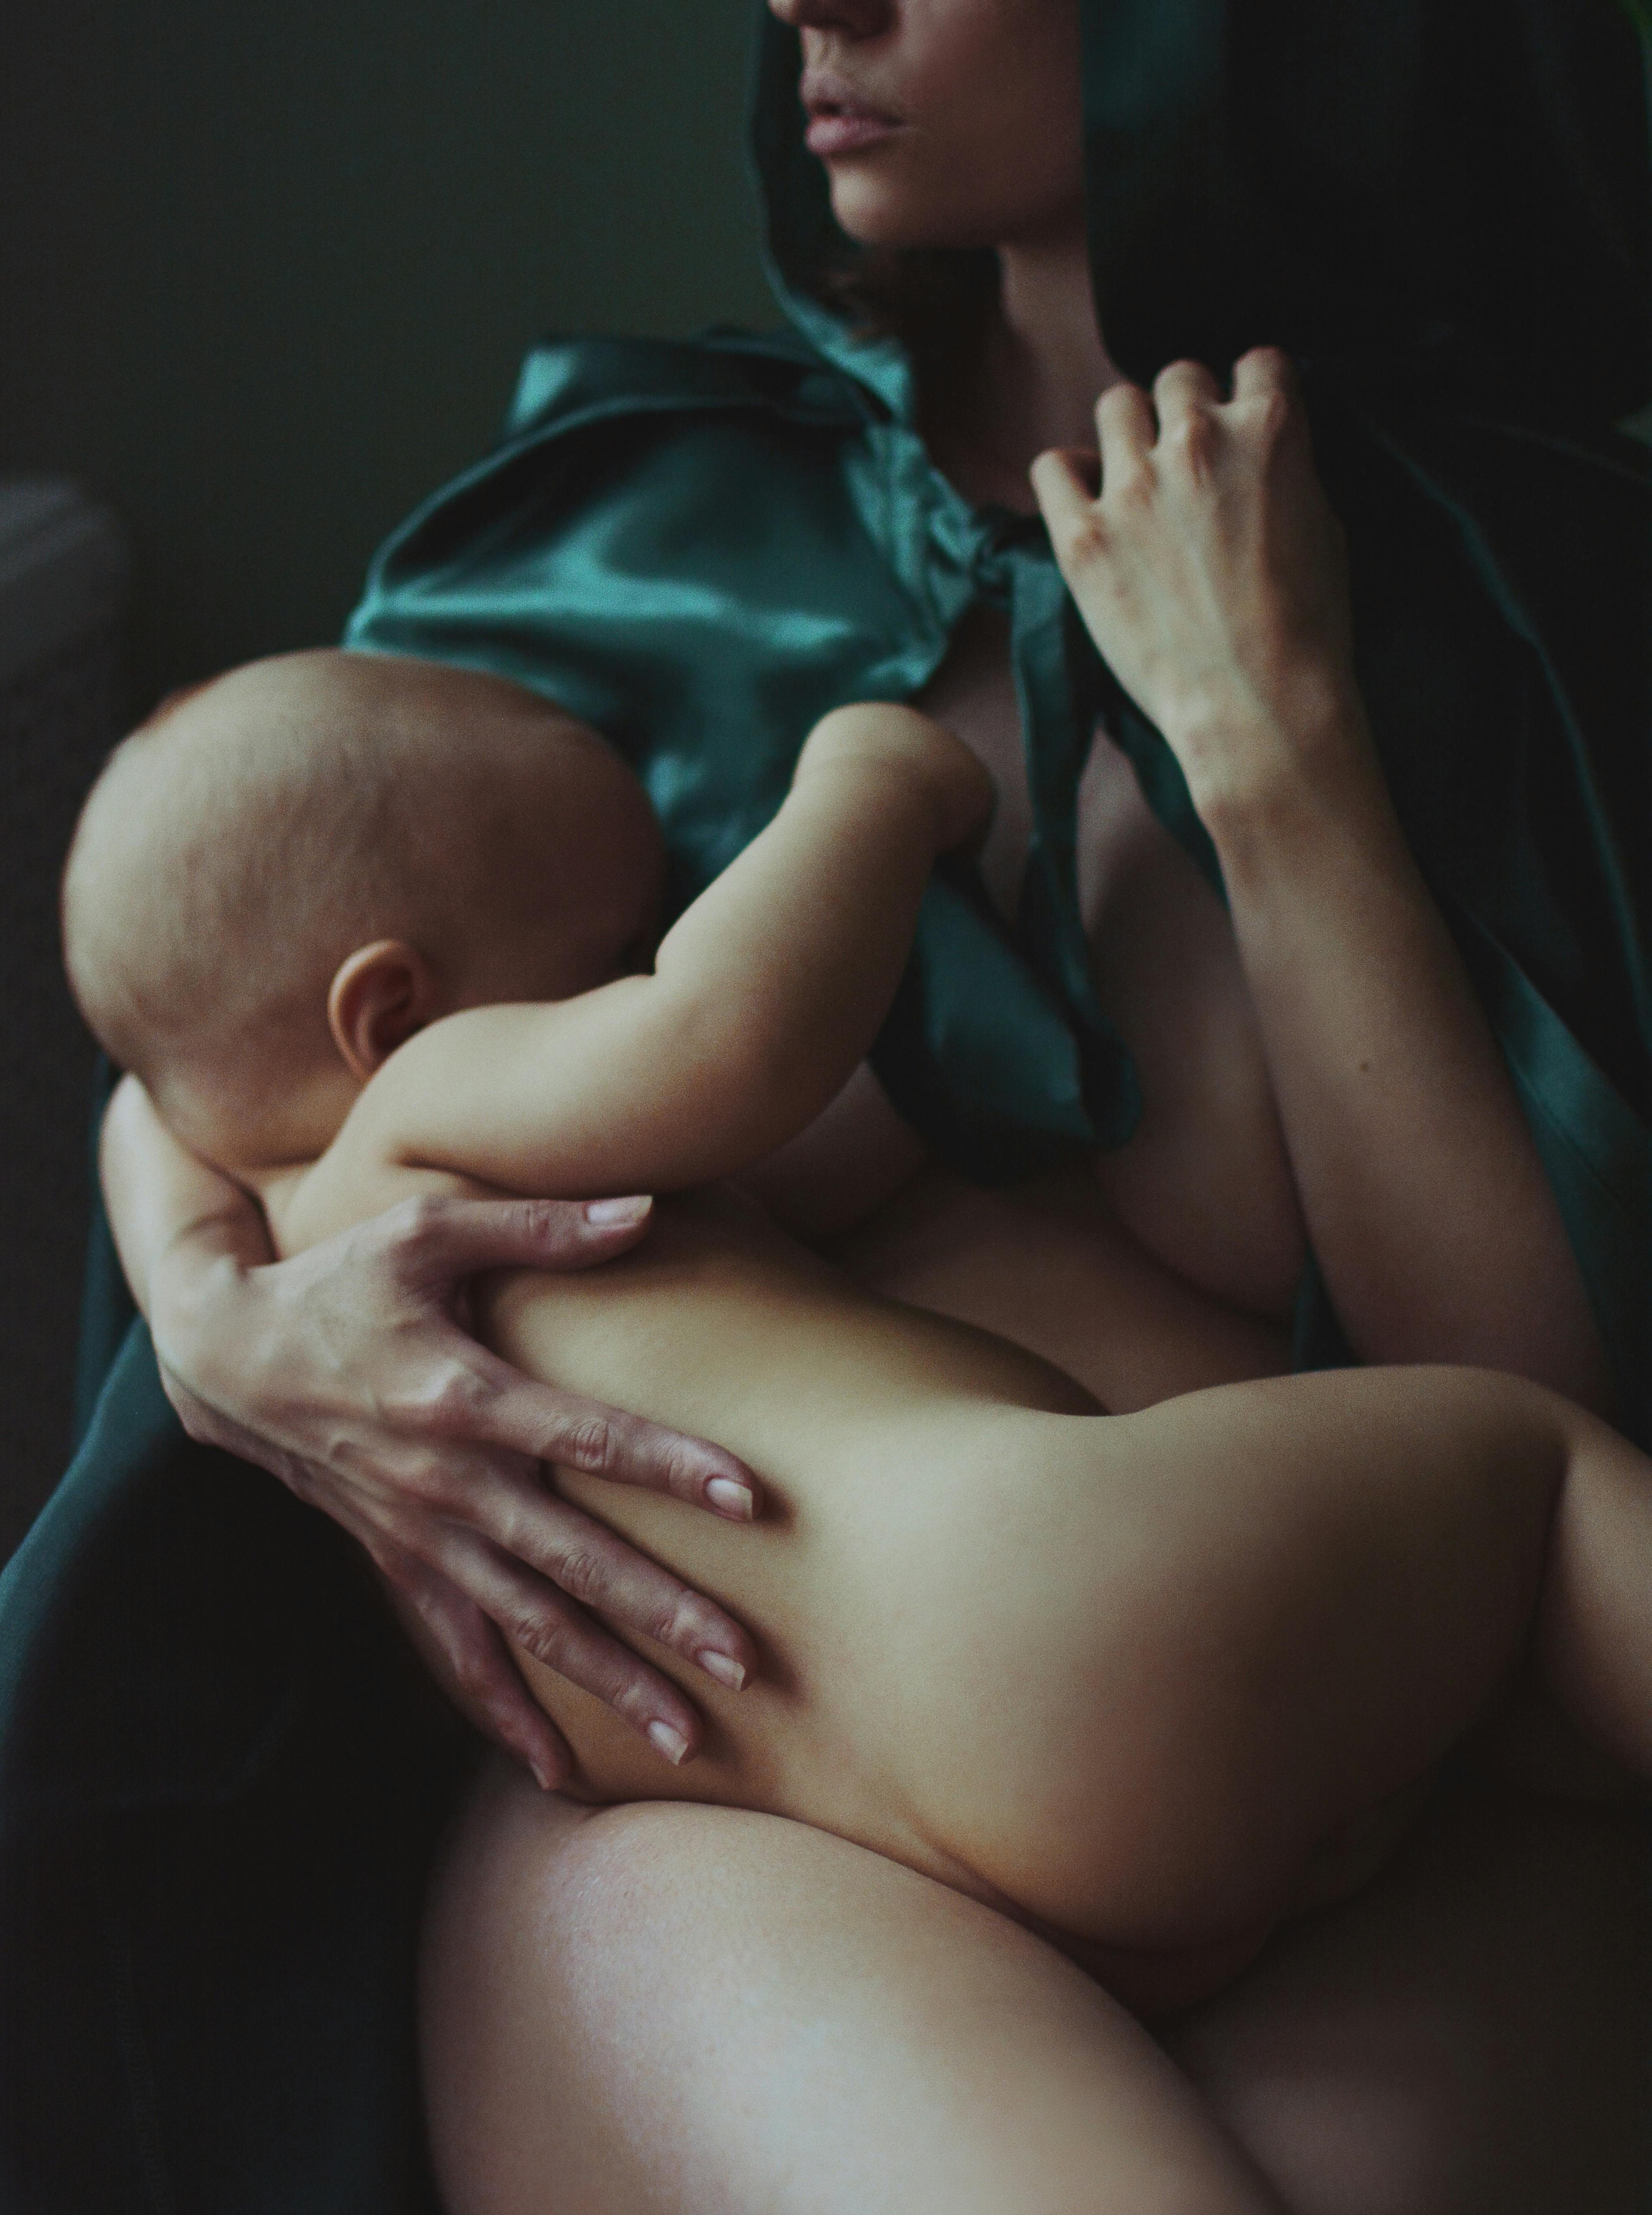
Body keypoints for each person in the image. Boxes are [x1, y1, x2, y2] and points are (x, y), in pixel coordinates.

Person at [3, 0, 1647, 2208]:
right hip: (726, 1793)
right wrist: (222, 1319)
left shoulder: (1538, 587)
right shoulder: (628, 534)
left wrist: (1278, 750)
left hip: (1332, 1757)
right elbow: (229, 1009)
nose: (813, 0)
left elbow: (1520, 1417)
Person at [58, 646, 1652, 2083]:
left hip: (993, 1876)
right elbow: (725, 1037)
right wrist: (869, 784)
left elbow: (154, 1096)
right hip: (1063, 1603)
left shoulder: (316, 1360)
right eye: (611, 943)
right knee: (1531, 1473)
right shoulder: (418, 1108)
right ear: (388, 1007)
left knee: (1483, 1692)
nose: (650, 948)